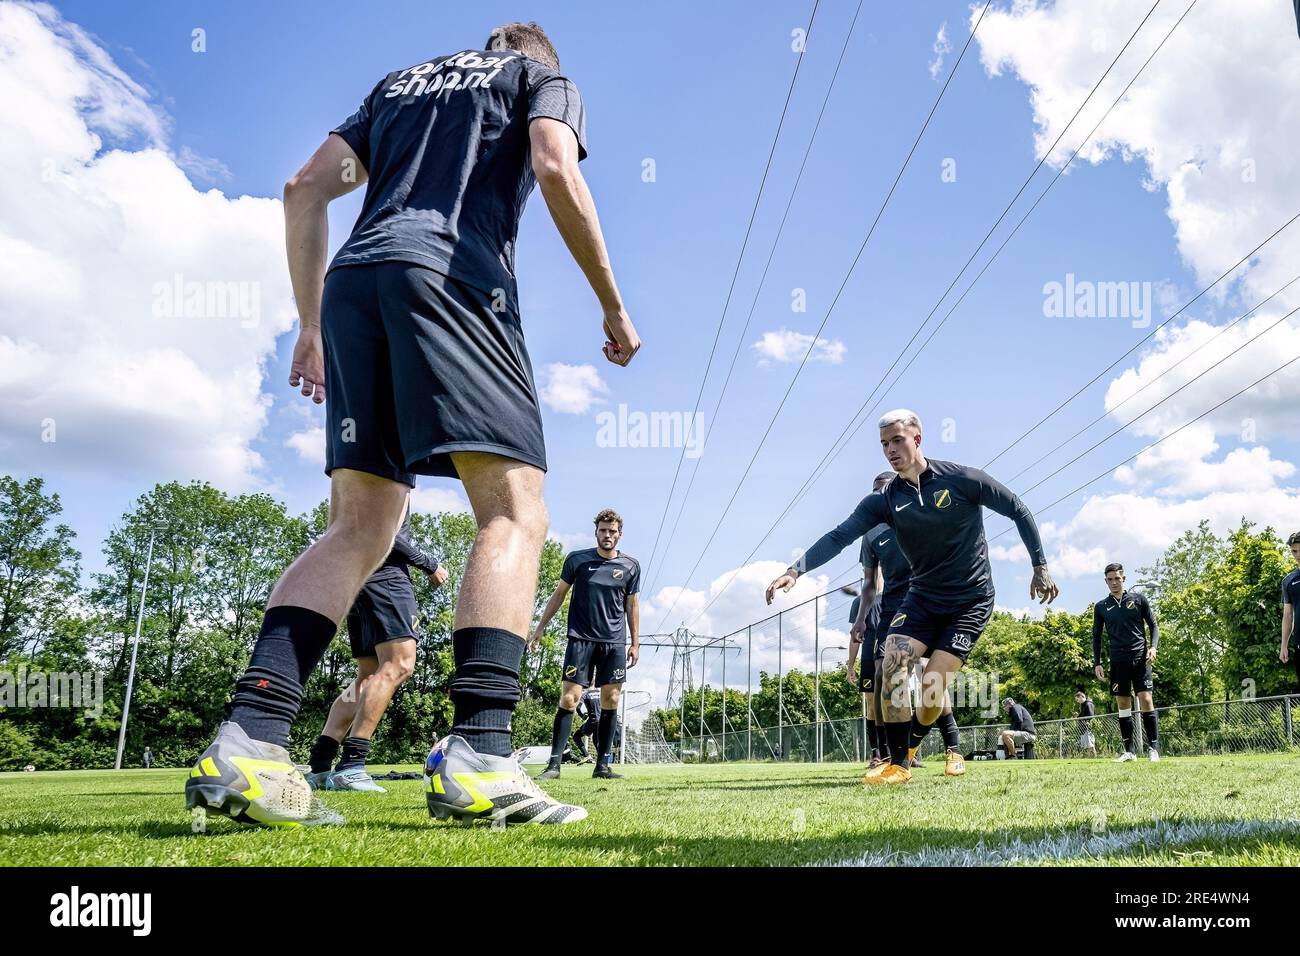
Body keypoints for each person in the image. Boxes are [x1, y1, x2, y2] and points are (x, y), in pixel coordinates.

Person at [185, 21, 640, 828]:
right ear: (539, 57)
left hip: (352, 287)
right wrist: (612, 304)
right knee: (514, 511)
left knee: (359, 527)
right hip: (453, 279)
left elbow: (303, 188)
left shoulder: (396, 87)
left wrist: (310, 323)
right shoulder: (538, 80)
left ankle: (247, 743)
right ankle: (481, 758)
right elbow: (553, 163)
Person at [765, 409, 1057, 785]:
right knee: (892, 662)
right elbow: (839, 536)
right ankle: (899, 765)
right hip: (922, 598)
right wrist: (794, 571)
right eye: (884, 444)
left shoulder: (963, 479)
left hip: (970, 601)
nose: (890, 449)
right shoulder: (885, 501)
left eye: (897, 440)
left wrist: (1039, 566)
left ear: (917, 439)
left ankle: (920, 746)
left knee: (933, 686)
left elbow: (1017, 508)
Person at [305, 508, 448, 792]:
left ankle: (320, 766)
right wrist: (430, 564)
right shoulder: (397, 479)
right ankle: (351, 766)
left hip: (358, 578)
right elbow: (386, 532)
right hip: (386, 577)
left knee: (367, 676)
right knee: (399, 664)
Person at [531, 509, 640, 780]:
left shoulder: (631, 566)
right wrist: (540, 627)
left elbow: (632, 606)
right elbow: (559, 594)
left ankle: (602, 766)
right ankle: (554, 765)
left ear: (620, 534)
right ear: (596, 532)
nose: (607, 535)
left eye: (612, 531)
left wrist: (635, 643)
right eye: (603, 530)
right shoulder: (577, 560)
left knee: (610, 700)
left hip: (613, 642)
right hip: (580, 639)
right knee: (570, 698)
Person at [1092, 562, 1160, 762]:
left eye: (1117, 578)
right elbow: (1096, 636)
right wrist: (1097, 662)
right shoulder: (1101, 607)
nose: (1114, 582)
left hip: (1140, 659)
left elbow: (1153, 625)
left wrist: (1153, 647)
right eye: (1110, 579)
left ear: (1124, 579)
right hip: (1118, 661)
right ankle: (1129, 751)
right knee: (1123, 703)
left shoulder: (1139, 600)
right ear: (1106, 581)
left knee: (1146, 699)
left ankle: (1153, 749)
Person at [1281, 532, 1300, 691]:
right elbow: (1288, 615)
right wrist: (1284, 645)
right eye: (1294, 551)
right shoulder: (1288, 581)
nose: (1298, 555)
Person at [571, 685, 602, 763]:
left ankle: (587, 756)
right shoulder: (599, 692)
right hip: (602, 720)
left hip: (593, 720)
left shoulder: (585, 694)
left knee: (576, 736)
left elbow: (578, 708)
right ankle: (601, 760)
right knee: (595, 740)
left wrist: (582, 716)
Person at [1075, 690, 1097, 758]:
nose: (1077, 701)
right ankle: (1091, 758)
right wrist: (1078, 716)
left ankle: (1094, 758)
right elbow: (1083, 715)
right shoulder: (1083, 705)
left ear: (1081, 697)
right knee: (1088, 745)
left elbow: (1090, 716)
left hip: (1087, 728)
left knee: (1090, 745)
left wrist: (1082, 720)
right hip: (1084, 728)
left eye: (1077, 699)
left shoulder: (1088, 704)